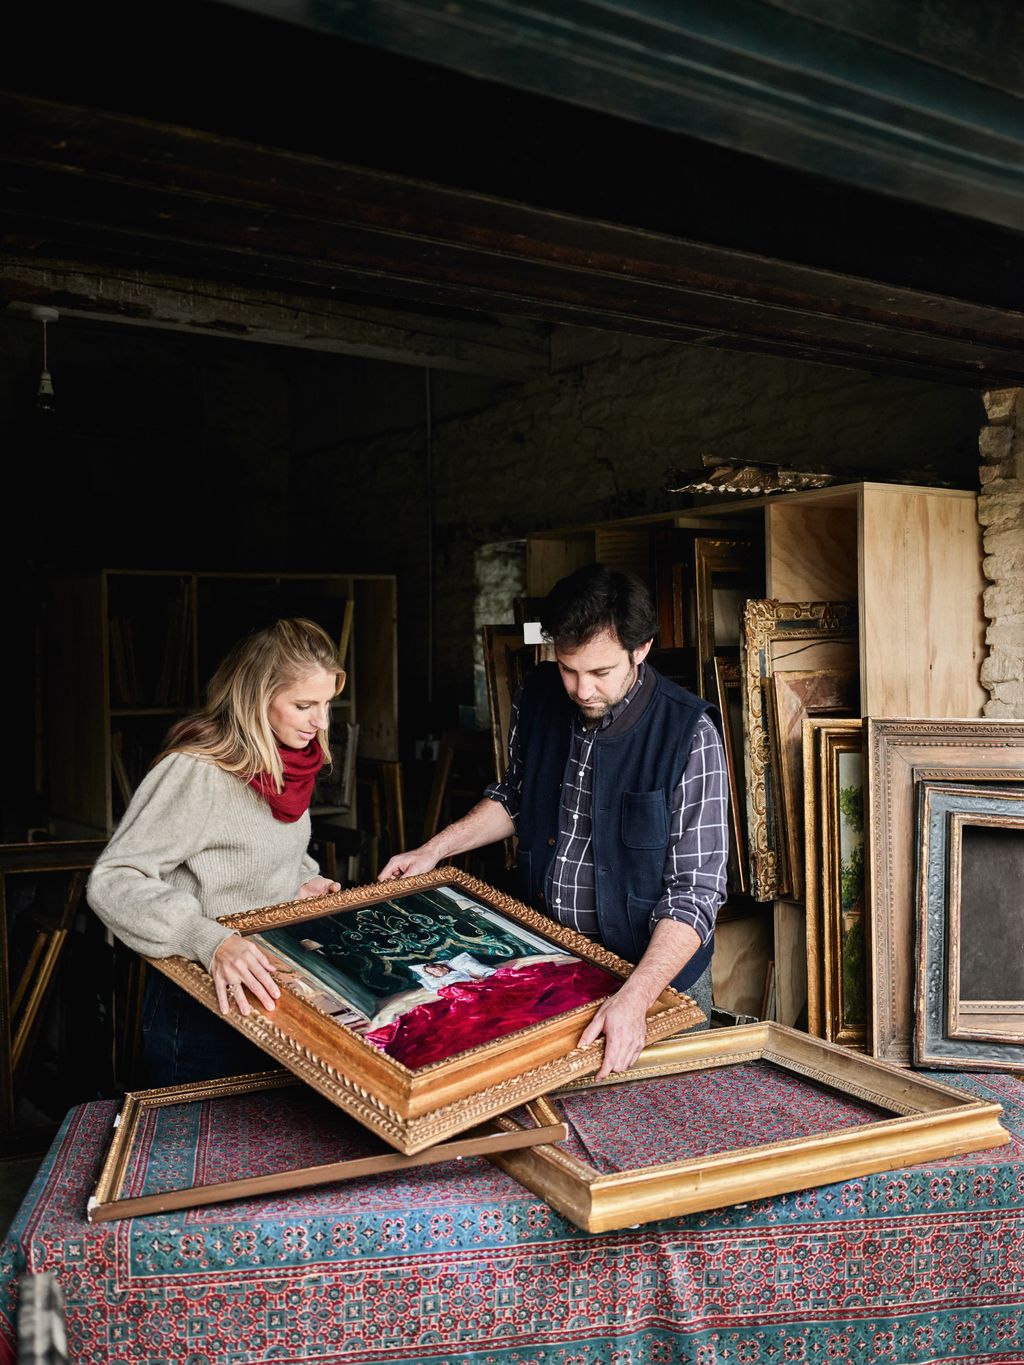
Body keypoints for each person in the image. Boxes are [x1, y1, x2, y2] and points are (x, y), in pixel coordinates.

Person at [379, 563, 728, 1079]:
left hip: (653, 980)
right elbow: (515, 797)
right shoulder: (540, 694)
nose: (581, 689)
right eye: (569, 668)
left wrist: (634, 998)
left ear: (642, 649)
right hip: (553, 963)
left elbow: (694, 894)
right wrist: (435, 849)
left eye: (601, 672)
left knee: (655, 1128)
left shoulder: (688, 733)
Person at [87, 618, 345, 1085]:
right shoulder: (197, 772)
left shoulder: (287, 766)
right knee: (196, 1151)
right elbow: (115, 879)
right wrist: (208, 939)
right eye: (304, 705)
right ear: (255, 697)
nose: (321, 722)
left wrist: (299, 879)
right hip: (200, 999)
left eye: (327, 704)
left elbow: (257, 849)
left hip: (269, 988)